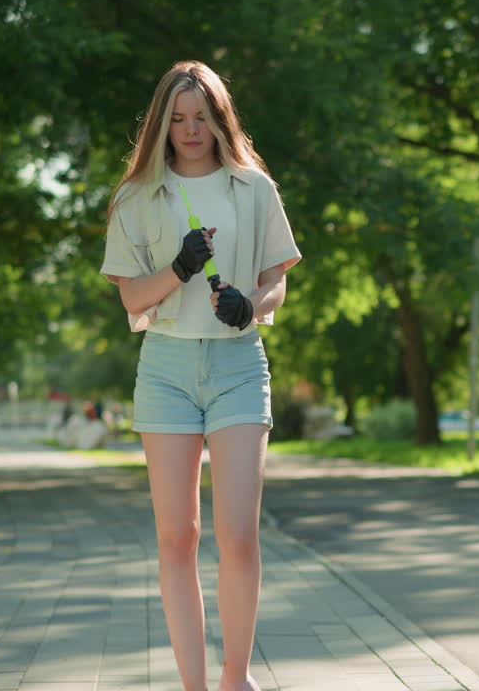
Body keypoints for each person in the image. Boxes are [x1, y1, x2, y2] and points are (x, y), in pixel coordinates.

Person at [99, 60, 301, 691]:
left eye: (202, 117)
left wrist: (253, 304)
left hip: (239, 366)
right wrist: (181, 267)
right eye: (178, 118)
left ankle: (235, 678)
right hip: (166, 368)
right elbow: (133, 298)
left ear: (220, 119)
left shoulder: (254, 188)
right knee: (176, 538)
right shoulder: (136, 197)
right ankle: (193, 685)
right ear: (162, 123)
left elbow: (278, 281)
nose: (190, 129)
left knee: (238, 535)